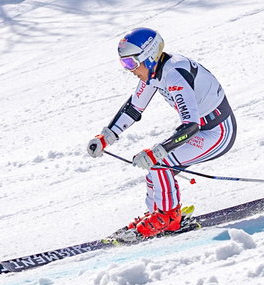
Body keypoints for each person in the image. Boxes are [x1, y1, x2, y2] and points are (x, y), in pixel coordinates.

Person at [86, 27, 237, 241]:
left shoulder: (174, 74)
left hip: (217, 131)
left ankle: (168, 217)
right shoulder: (155, 72)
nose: (129, 69)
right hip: (202, 129)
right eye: (124, 64)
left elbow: (191, 125)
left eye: (130, 63)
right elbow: (133, 108)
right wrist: (106, 137)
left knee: (158, 163)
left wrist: (158, 151)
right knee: (154, 171)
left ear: (148, 56)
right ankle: (158, 214)